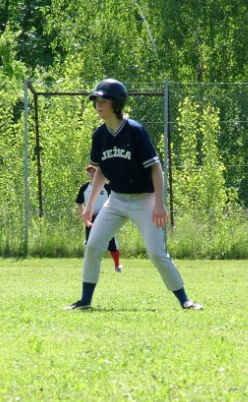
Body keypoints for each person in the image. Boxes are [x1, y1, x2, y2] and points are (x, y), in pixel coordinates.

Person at [65, 78, 202, 310]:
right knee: (93, 245)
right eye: (96, 101)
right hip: (117, 199)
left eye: (103, 100)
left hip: (145, 199)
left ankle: (185, 300)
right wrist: (89, 205)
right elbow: (100, 171)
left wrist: (160, 203)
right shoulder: (99, 136)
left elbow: (155, 168)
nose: (98, 105)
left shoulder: (135, 131)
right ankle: (85, 301)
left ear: (116, 104)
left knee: (157, 253)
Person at [75, 164, 122, 273]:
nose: (92, 173)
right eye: (89, 171)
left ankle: (117, 265)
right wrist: (83, 215)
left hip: (106, 218)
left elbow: (116, 198)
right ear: (87, 173)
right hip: (91, 219)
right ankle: (89, 267)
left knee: (112, 244)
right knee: (90, 243)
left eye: (94, 171)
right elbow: (79, 203)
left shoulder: (106, 187)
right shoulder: (84, 188)